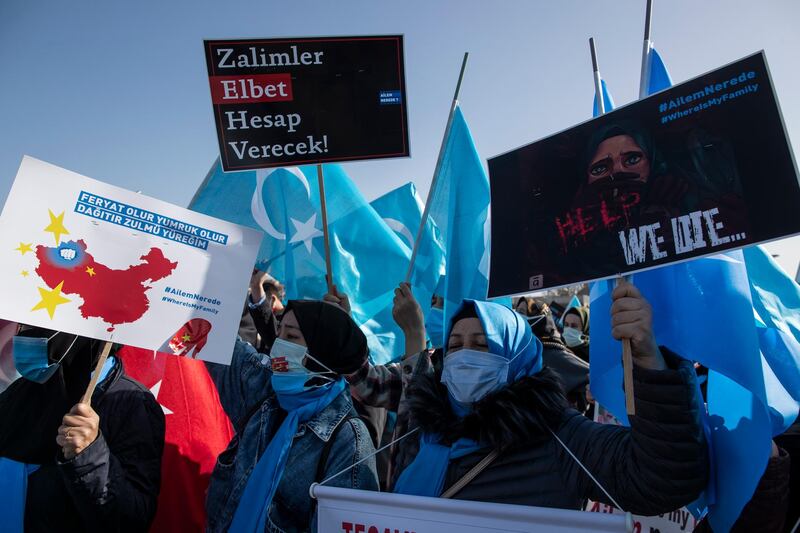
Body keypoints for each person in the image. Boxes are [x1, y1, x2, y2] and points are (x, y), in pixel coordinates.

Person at [391, 281, 708, 515]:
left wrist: (649, 362)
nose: (465, 355)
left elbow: (660, 480)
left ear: (515, 357)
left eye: (482, 344)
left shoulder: (558, 437)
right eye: (456, 345)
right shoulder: (426, 431)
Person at [206, 299, 379, 532]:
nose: (279, 345)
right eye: (279, 333)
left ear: (322, 348)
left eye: (292, 337)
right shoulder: (264, 388)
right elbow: (215, 336)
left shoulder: (349, 442)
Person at [0, 326, 165, 532]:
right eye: (25, 324)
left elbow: (131, 520)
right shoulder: (23, 390)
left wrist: (89, 453)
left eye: (43, 323)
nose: (25, 333)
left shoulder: (131, 403)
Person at [239, 270, 286, 353]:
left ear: (273, 299)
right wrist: (256, 285)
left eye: (292, 336)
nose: (282, 335)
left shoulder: (288, 317)